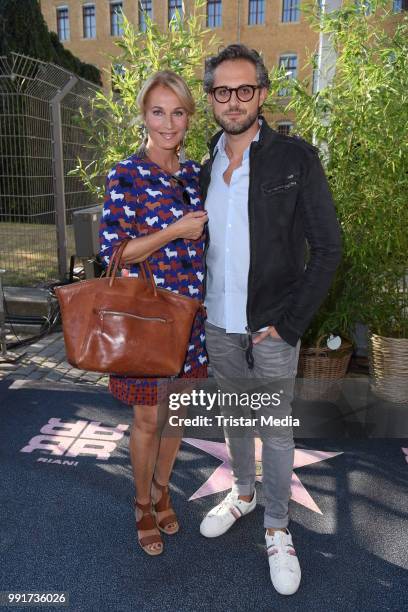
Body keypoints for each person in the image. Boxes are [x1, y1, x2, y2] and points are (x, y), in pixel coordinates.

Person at [199, 45, 342, 595]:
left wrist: (289, 323)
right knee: (237, 417)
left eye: (244, 90)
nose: (233, 101)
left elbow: (328, 248)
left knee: (277, 433)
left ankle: (278, 526)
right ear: (212, 97)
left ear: (261, 93)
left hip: (272, 326)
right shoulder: (207, 159)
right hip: (219, 322)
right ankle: (242, 490)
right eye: (221, 91)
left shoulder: (295, 158)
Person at [99, 70, 208, 556]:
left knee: (179, 411)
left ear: (189, 117)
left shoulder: (192, 175)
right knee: (148, 418)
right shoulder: (126, 173)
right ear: (144, 115)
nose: (169, 123)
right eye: (159, 111)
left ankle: (164, 487)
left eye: (178, 112)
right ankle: (142, 503)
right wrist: (174, 231)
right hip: (148, 320)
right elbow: (115, 254)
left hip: (193, 317)